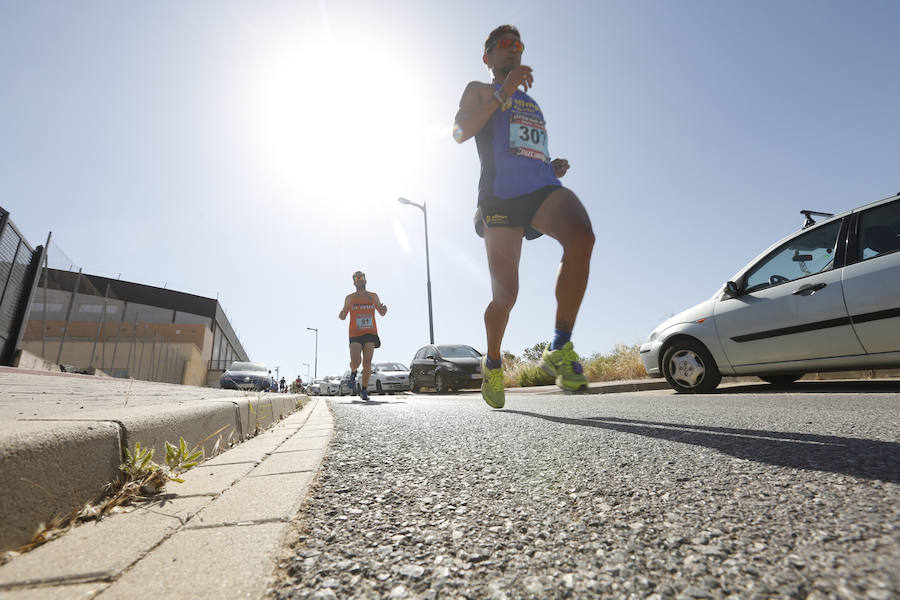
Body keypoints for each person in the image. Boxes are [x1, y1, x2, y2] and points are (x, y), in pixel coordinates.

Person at [453, 25, 595, 409]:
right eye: (504, 46)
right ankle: (494, 363)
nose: (513, 50)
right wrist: (503, 91)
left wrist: (550, 166)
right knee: (506, 296)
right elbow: (461, 131)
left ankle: (559, 347)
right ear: (487, 57)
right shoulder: (480, 90)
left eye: (518, 46)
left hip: (540, 191)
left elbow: (522, 148)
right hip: (500, 198)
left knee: (582, 236)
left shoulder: (530, 102)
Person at [338, 271, 388, 401]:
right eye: (357, 278)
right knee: (356, 361)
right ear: (354, 282)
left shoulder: (373, 296)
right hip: (355, 333)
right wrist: (342, 314)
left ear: (365, 280)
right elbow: (343, 314)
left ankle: (364, 390)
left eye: (362, 278)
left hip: (370, 333)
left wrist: (383, 310)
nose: (359, 280)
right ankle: (353, 372)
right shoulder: (350, 298)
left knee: (367, 362)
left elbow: (381, 312)